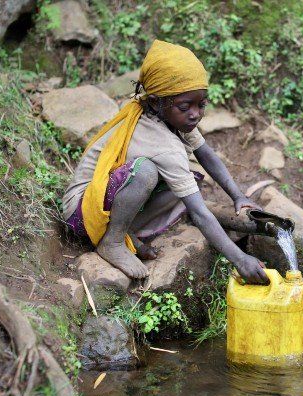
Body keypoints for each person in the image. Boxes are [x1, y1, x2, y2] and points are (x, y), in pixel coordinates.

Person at [61, 40, 269, 284]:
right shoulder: (162, 143)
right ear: (156, 102)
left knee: (185, 180)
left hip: (105, 201)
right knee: (146, 172)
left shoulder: (171, 117)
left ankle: (125, 231)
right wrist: (240, 259)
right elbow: (199, 213)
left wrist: (238, 197)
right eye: (186, 106)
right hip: (82, 212)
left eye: (201, 104)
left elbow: (206, 154)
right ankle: (113, 241)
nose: (195, 114)